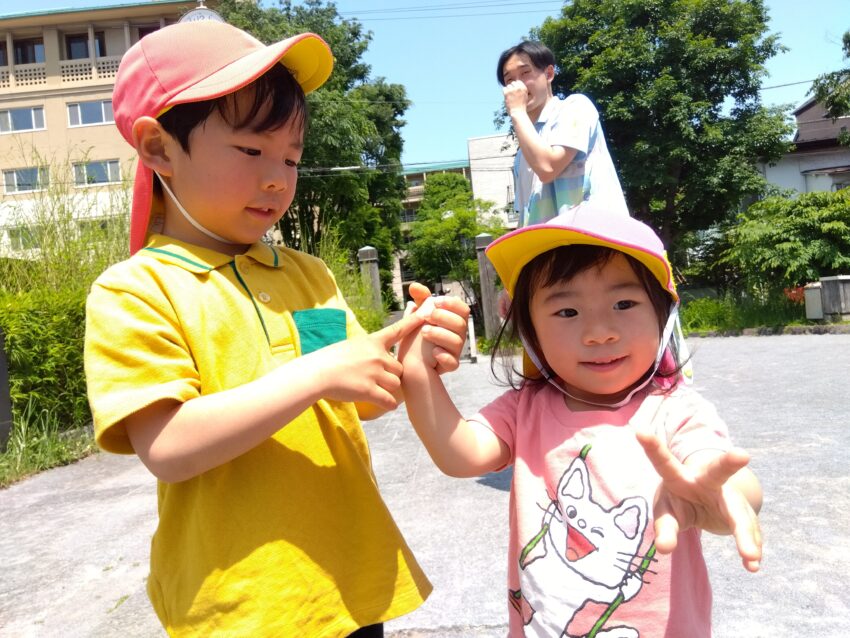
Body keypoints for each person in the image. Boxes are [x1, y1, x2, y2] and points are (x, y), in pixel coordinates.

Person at [84, 20, 468, 637]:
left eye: (291, 157)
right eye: (251, 151)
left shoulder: (306, 275)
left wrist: (408, 351)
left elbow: (352, 399)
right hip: (242, 603)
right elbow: (169, 448)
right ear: (158, 149)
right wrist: (317, 373)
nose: (277, 178)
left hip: (345, 580)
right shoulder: (136, 291)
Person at [399, 203, 762, 637]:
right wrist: (417, 370)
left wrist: (719, 493)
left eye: (624, 302)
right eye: (567, 312)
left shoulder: (675, 410)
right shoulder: (525, 409)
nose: (599, 332)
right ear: (530, 330)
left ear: (663, 315)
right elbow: (460, 454)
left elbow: (716, 466)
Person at [499, 40, 628, 226]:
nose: (518, 85)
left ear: (549, 73)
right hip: (553, 251)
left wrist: (517, 112)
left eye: (525, 73)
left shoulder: (576, 107)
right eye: (509, 80)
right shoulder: (522, 153)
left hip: (596, 241)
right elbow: (526, 216)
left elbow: (548, 167)